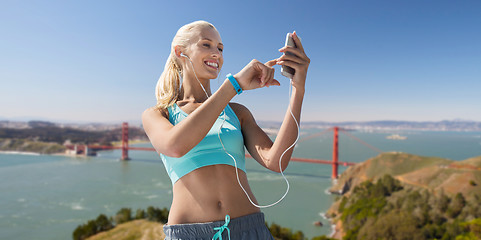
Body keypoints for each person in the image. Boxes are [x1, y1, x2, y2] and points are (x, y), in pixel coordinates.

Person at [142, 20, 309, 240]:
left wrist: (298, 88)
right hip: (188, 235)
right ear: (180, 51)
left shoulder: (237, 112)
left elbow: (277, 161)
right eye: (206, 45)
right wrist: (233, 86)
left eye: (220, 48)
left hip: (250, 231)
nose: (216, 54)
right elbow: (174, 146)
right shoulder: (158, 114)